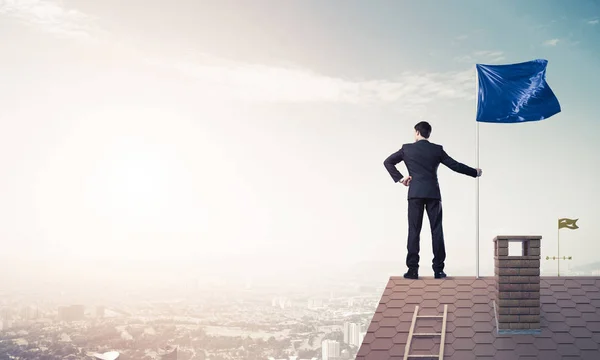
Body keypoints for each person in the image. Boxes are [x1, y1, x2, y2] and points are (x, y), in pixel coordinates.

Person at [383, 121, 482, 279]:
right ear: (429, 134)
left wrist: (402, 179)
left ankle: (413, 270)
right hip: (433, 194)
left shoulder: (406, 149)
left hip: (415, 193)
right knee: (437, 231)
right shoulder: (437, 150)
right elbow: (454, 165)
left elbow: (387, 162)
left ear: (417, 132)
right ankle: (438, 270)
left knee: (414, 231)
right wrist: (474, 172)